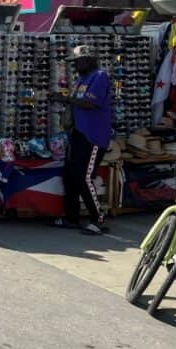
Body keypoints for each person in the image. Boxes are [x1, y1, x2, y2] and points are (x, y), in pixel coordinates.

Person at [50, 45, 112, 235]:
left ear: (88, 60)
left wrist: (65, 100)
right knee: (70, 175)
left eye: (77, 61)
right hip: (78, 133)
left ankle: (98, 220)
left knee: (85, 177)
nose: (74, 65)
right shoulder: (81, 79)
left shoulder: (99, 76)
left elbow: (90, 103)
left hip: (94, 135)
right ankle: (72, 218)